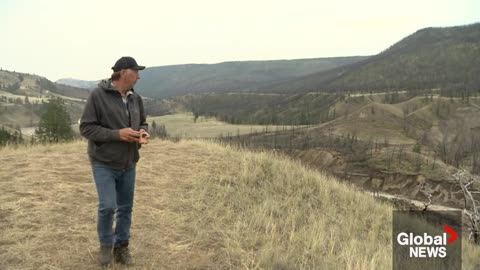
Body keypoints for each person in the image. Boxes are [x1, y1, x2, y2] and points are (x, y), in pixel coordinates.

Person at [80, 56, 150, 266]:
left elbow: (143, 122)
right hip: (104, 161)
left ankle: (122, 247)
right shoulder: (98, 95)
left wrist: (144, 132)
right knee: (108, 206)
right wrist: (117, 134)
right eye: (136, 72)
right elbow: (86, 128)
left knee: (126, 208)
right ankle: (105, 246)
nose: (138, 76)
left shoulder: (135, 99)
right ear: (123, 73)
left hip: (129, 162)